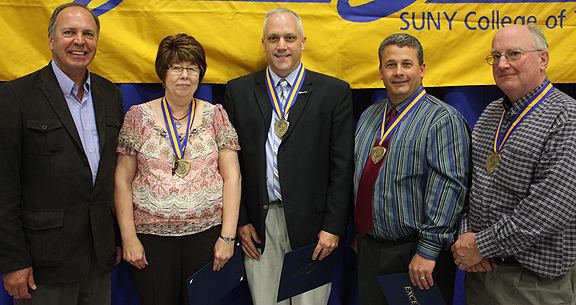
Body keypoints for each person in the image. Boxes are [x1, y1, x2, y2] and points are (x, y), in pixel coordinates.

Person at [221, 8, 354, 305]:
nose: (282, 46)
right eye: (274, 38)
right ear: (264, 43)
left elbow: (342, 167)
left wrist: (333, 227)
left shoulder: (333, 92)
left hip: (314, 226)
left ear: (303, 42)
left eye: (289, 38)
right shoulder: (238, 92)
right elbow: (231, 166)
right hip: (259, 225)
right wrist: (240, 221)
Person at [0, 2, 124, 304]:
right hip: (43, 264)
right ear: (50, 39)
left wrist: (115, 238)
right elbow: (4, 187)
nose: (79, 41)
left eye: (88, 33)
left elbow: (110, 175)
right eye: (69, 32)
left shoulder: (110, 94)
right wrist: (14, 260)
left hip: (99, 257)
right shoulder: (16, 96)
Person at [452, 24, 576, 304]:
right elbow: (469, 187)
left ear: (543, 59)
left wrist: (481, 245)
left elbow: (551, 208)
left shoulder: (566, 116)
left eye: (514, 54)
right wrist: (466, 239)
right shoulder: (489, 115)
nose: (503, 64)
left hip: (533, 283)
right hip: (480, 275)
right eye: (496, 56)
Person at [114, 33, 241, 305]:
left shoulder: (215, 115)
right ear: (163, 72)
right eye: (176, 67)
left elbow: (233, 178)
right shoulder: (138, 117)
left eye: (192, 68)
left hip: (206, 239)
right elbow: (122, 180)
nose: (185, 75)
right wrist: (128, 239)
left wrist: (228, 237)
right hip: (151, 242)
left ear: (200, 74)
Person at [352, 33, 471, 305]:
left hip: (416, 254)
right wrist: (360, 233)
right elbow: (360, 178)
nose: (398, 73)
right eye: (391, 65)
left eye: (407, 64)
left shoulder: (442, 120)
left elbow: (449, 188)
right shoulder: (370, 116)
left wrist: (428, 251)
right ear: (381, 71)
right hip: (370, 248)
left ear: (422, 69)